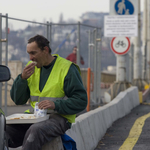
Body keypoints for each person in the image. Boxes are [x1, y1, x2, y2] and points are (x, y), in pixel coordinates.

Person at [6, 35, 87, 150]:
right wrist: (22, 79)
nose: (30, 58)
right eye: (28, 53)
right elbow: (18, 100)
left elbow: (81, 101)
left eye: (33, 53)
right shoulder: (30, 69)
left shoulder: (67, 68)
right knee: (4, 129)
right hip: (35, 117)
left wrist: (56, 105)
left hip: (59, 118)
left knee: (36, 130)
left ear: (45, 50)